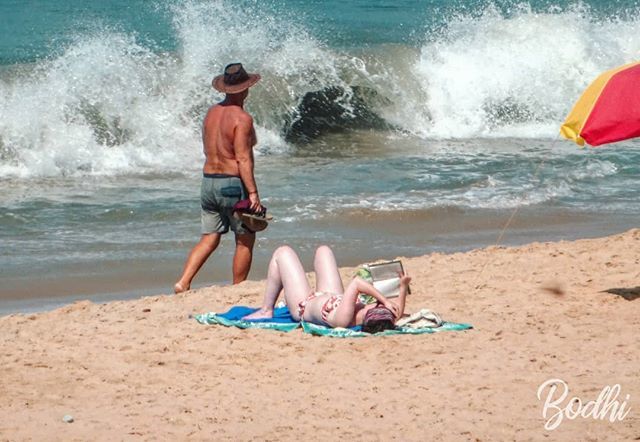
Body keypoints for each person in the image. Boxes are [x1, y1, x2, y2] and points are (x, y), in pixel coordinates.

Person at [175, 63, 262, 293]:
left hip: (208, 181)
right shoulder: (242, 118)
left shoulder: (211, 113)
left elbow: (212, 146)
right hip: (232, 184)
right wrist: (252, 193)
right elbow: (243, 158)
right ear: (245, 89)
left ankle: (183, 282)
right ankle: (237, 288)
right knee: (245, 238)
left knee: (209, 237)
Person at [243, 245, 411, 332]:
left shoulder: (344, 319)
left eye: (376, 307)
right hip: (331, 295)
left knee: (282, 252)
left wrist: (384, 300)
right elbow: (398, 309)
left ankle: (266, 309)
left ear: (368, 316)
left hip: (304, 304)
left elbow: (357, 283)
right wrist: (403, 285)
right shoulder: (383, 318)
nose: (377, 306)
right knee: (324, 250)